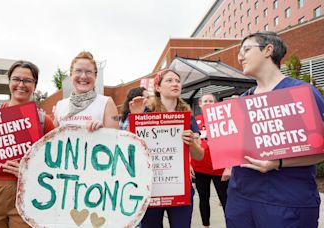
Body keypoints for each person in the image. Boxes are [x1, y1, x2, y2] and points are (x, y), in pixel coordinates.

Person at [226, 31, 324, 228]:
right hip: (240, 199)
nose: (240, 57)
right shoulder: (242, 101)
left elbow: (320, 149)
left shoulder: (301, 92)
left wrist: (278, 162)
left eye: (246, 49)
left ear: (268, 50)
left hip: (286, 201)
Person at [0, 60, 56, 228]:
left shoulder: (45, 121)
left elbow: (53, 163)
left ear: (35, 85)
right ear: (9, 82)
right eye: (16, 79)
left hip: (28, 192)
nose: (21, 84)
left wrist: (29, 171)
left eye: (27, 80)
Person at [133, 69, 204, 228]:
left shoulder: (187, 115)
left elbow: (199, 155)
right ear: (157, 88)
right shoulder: (146, 112)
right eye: (169, 80)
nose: (175, 84)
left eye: (178, 81)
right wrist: (135, 118)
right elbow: (134, 149)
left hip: (180, 185)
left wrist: (191, 143)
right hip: (152, 186)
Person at [54, 51, 119, 130]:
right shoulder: (60, 105)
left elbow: (115, 138)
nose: (83, 76)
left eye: (88, 72)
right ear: (71, 75)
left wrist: (103, 131)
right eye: (78, 71)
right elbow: (52, 138)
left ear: (95, 76)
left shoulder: (106, 102)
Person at [191, 93, 228, 228]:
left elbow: (230, 143)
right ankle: (205, 225)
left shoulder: (223, 119)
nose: (207, 103)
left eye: (211, 101)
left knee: (225, 199)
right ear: (200, 104)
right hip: (200, 167)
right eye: (205, 101)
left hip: (219, 168)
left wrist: (229, 167)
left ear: (215, 103)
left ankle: (231, 223)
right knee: (203, 198)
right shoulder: (195, 120)